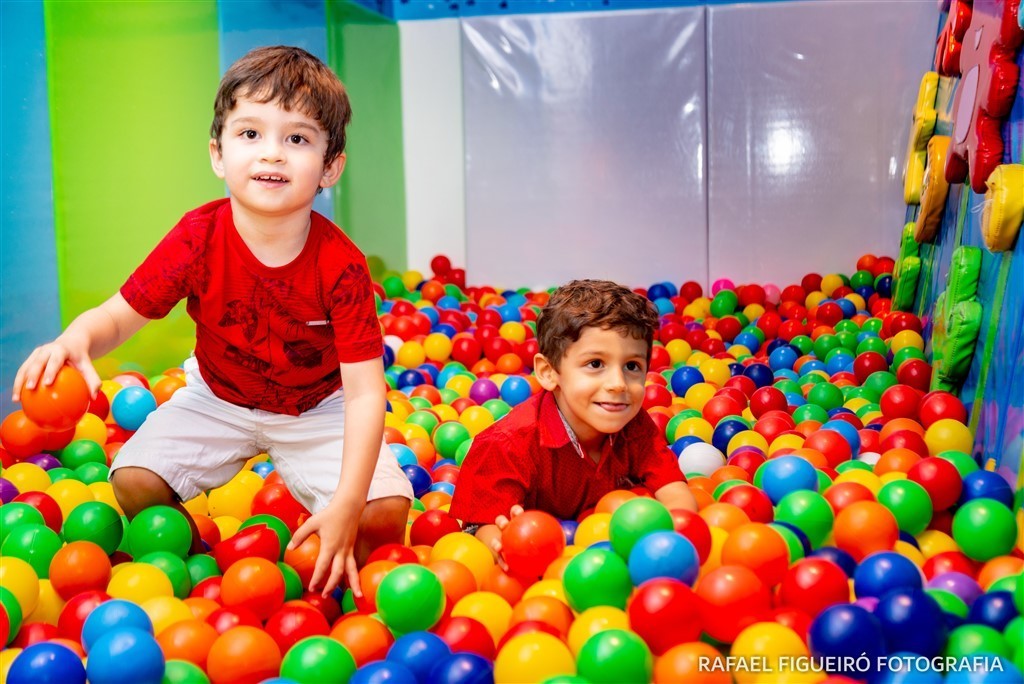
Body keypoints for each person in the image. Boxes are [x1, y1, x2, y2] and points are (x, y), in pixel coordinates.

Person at [11, 46, 412, 597]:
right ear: (218, 153)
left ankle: (322, 554)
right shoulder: (197, 237)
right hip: (218, 397)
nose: (271, 154)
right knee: (133, 480)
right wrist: (76, 337)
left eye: (296, 138)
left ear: (330, 166)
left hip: (315, 407)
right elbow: (120, 315)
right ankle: (204, 561)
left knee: (383, 515)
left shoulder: (340, 265)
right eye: (250, 134)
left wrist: (346, 504)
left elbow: (366, 395)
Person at [448, 279, 697, 560]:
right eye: (595, 364)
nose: (618, 384)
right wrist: (504, 543)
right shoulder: (506, 446)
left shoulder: (635, 425)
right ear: (548, 372)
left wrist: (673, 542)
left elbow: (676, 495)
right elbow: (482, 531)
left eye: (632, 366)